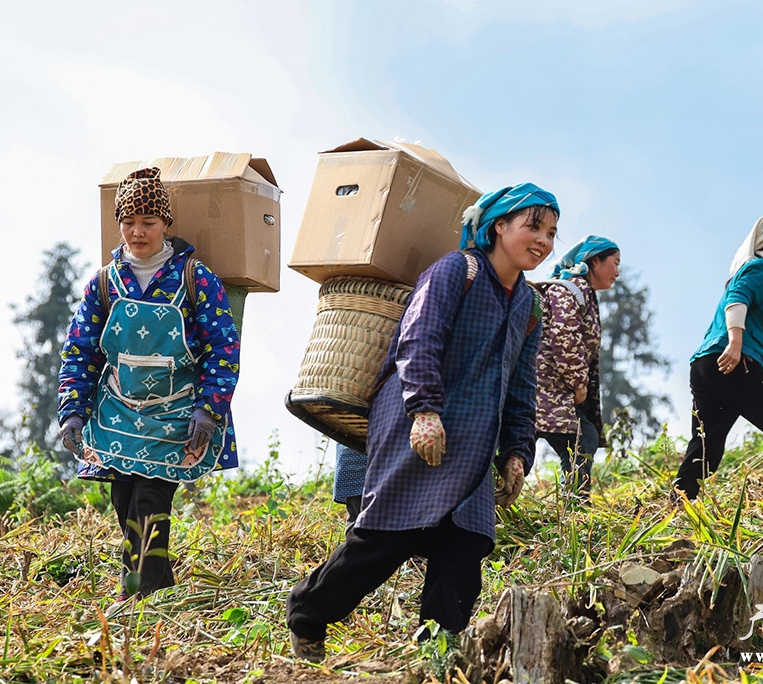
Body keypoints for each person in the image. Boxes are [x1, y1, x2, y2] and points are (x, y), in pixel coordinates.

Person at [286, 183, 560, 663]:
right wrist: (425, 411)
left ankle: (440, 652)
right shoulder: (457, 270)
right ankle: (308, 612)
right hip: (419, 423)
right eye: (532, 226)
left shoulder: (529, 305)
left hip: (473, 443)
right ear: (498, 226)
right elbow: (418, 338)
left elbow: (521, 386)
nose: (543, 240)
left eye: (552, 233)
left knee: (467, 542)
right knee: (387, 536)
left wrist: (517, 452)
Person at [57, 167, 240, 601]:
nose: (137, 232)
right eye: (128, 222)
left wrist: (208, 410)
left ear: (167, 225)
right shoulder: (103, 283)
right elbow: (80, 351)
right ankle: (160, 590)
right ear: (118, 223)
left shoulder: (195, 279)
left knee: (149, 502)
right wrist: (72, 411)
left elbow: (223, 349)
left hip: (176, 414)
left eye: (149, 222)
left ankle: (136, 593)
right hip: (119, 410)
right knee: (125, 502)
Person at [671, 216, 763, 501]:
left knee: (707, 446)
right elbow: (737, 300)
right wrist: (734, 343)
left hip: (709, 364)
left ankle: (678, 503)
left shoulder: (760, 272)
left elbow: (760, 348)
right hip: (731, 361)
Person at [534, 235, 621, 500]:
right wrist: (578, 382)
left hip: (551, 390)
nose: (618, 272)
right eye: (614, 263)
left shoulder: (584, 293)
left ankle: (572, 507)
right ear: (595, 261)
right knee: (581, 439)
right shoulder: (570, 288)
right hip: (542, 388)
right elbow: (564, 336)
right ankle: (573, 510)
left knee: (581, 438)